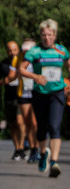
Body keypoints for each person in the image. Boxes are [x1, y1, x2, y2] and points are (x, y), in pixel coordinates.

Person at [20, 20, 69, 178]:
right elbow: (21, 69)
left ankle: (54, 162)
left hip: (57, 92)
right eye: (43, 35)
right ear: (40, 36)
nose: (46, 38)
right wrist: (35, 76)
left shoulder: (62, 51)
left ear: (55, 35)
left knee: (55, 126)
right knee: (41, 129)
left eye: (49, 35)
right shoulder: (34, 52)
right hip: (40, 93)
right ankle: (43, 154)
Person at [0, 41, 24, 158]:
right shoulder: (3, 64)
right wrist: (3, 82)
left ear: (18, 49)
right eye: (9, 50)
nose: (12, 53)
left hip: (21, 96)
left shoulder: (23, 62)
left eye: (14, 50)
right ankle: (17, 148)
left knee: (20, 122)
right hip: (9, 97)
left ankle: (21, 146)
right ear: (7, 51)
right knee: (12, 124)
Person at [18, 38, 40, 162]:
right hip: (24, 93)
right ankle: (33, 149)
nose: (26, 53)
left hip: (36, 92)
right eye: (24, 51)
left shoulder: (39, 60)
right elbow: (15, 74)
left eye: (28, 51)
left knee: (35, 123)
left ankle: (37, 147)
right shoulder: (19, 60)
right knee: (28, 124)